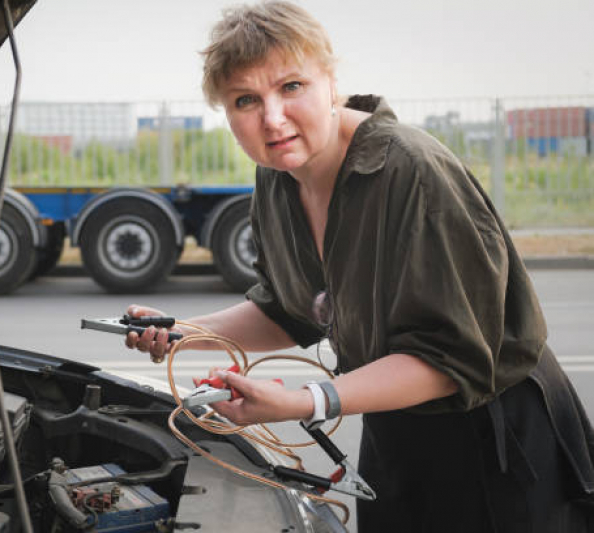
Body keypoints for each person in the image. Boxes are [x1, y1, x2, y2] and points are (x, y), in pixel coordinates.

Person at [125, 2, 594, 531]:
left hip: (497, 439)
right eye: (246, 100)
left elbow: (452, 360)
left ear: (331, 81)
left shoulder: (413, 172)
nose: (273, 119)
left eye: (292, 87)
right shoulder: (278, 175)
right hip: (396, 428)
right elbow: (292, 310)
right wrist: (184, 332)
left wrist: (306, 401)